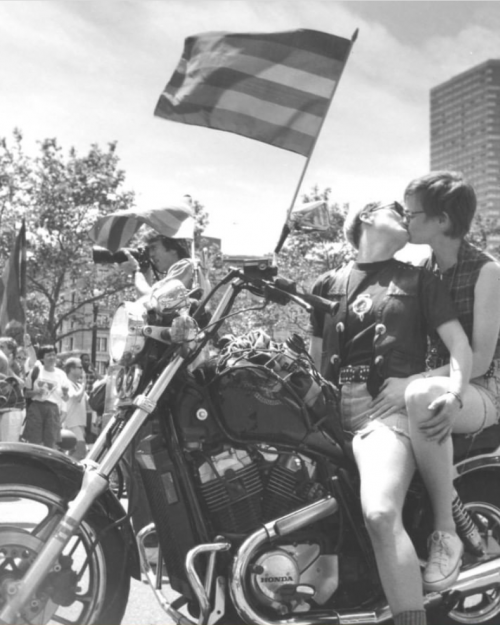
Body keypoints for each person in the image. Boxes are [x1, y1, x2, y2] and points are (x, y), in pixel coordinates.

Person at [309, 200, 472, 625]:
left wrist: (435, 387)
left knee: (380, 514)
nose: (405, 211)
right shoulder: (325, 284)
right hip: (328, 417)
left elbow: (460, 349)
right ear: (365, 217)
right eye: (393, 207)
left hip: (384, 413)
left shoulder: (420, 279)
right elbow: (314, 363)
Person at [369, 172, 500, 594]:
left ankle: (447, 531)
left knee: (421, 395)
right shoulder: (421, 271)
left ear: (442, 220)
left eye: (412, 214)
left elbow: (478, 360)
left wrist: (417, 379)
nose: (405, 221)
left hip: (483, 390)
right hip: (431, 385)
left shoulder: (488, 273)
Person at [122, 230, 210, 299]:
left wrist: (137, 271)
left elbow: (152, 299)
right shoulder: (183, 270)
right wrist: (145, 273)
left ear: (173, 248)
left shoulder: (186, 266)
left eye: (154, 247)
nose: (151, 254)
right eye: (149, 250)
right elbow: (147, 307)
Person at [23, 345, 70, 448]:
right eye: (49, 355)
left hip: (53, 410)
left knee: (50, 442)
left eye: (54, 354)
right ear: (42, 358)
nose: (52, 357)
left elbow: (66, 399)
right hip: (36, 408)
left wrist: (65, 393)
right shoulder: (36, 371)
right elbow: (26, 393)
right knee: (34, 442)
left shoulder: (61, 374)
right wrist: (37, 391)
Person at [0, 337, 26, 442]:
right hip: (4, 408)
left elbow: (21, 384)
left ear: (11, 351)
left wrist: (9, 371)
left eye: (2, 347)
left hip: (11, 409)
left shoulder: (14, 364)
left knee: (8, 447)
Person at [63, 357, 88, 460]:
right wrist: (84, 384)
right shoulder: (66, 383)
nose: (82, 370)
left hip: (78, 424)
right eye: (80, 367)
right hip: (71, 424)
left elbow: (87, 404)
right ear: (72, 369)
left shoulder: (78, 385)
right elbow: (77, 397)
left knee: (75, 453)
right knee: (80, 451)